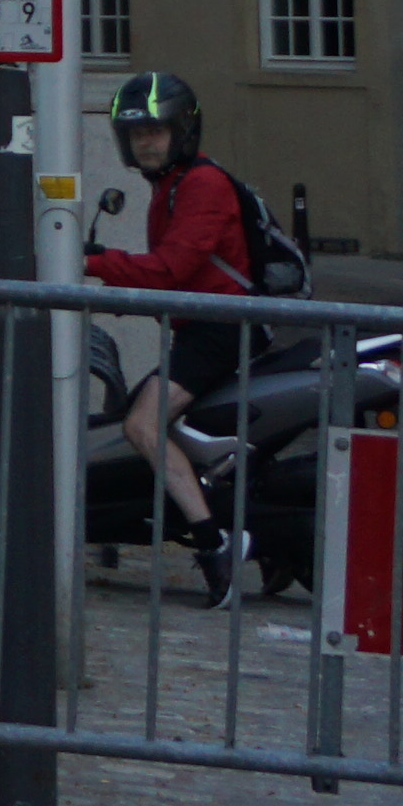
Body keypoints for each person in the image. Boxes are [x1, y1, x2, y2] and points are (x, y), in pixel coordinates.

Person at [86, 74, 255, 599]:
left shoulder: (202, 184)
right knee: (148, 418)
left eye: (156, 132)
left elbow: (170, 269)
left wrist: (93, 262)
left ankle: (215, 544)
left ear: (183, 130)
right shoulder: (171, 187)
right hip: (201, 326)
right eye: (136, 135)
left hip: (219, 330)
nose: (146, 143)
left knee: (142, 425)